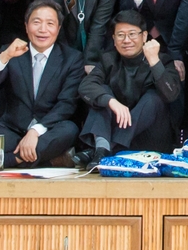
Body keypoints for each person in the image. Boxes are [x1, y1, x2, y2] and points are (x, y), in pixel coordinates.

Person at [0, 0, 86, 165]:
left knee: (69, 130)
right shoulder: (10, 52)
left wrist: (35, 131)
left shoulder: (72, 59)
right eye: (36, 22)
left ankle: (11, 159)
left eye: (50, 23)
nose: (43, 29)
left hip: (47, 130)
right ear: (26, 26)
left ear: (58, 29)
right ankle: (43, 159)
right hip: (12, 129)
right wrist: (5, 56)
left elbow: (66, 104)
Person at [76, 10, 182, 156]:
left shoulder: (163, 60)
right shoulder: (108, 60)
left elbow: (171, 95)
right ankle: (102, 148)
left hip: (149, 140)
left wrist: (154, 61)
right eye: (120, 35)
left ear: (144, 36)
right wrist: (111, 101)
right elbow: (86, 86)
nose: (126, 40)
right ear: (114, 39)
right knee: (102, 92)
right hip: (113, 133)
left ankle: (105, 148)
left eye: (132, 34)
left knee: (154, 98)